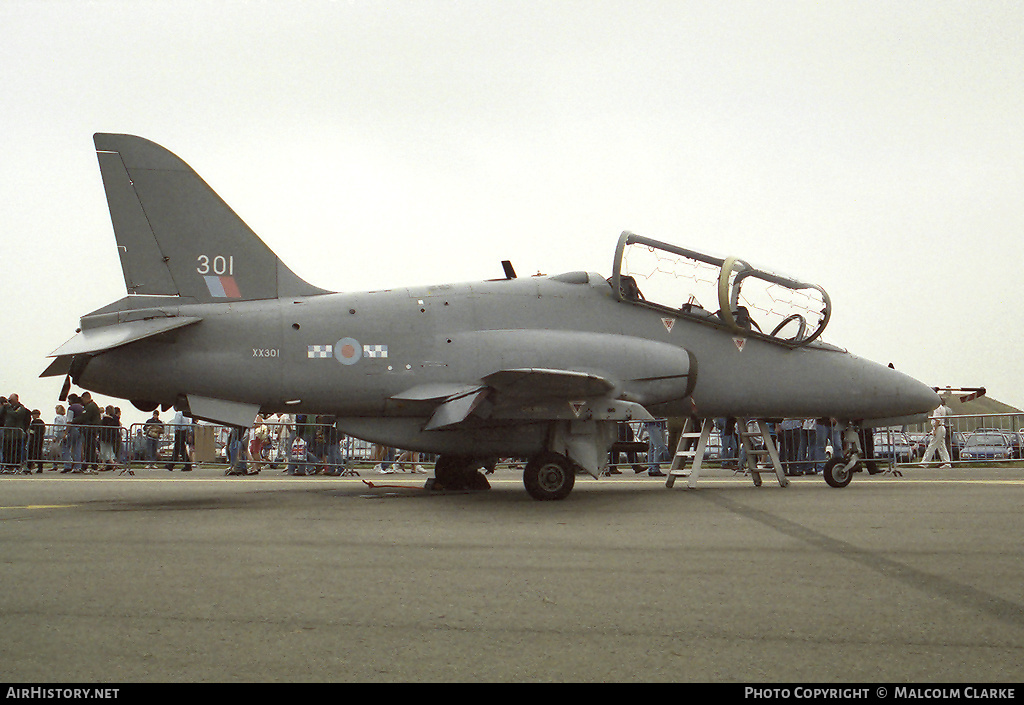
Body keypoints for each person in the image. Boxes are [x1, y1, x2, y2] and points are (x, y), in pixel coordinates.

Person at [921, 397, 953, 468]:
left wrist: (934, 429)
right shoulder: (942, 408)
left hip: (938, 427)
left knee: (932, 445)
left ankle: (925, 462)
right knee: (942, 446)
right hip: (942, 427)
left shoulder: (937, 408)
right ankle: (947, 462)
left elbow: (937, 420)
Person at [166, 406, 194, 471]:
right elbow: (188, 424)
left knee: (180, 448)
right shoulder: (186, 414)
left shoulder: (179, 413)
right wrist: (189, 432)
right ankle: (171, 464)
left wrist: (176, 430)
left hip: (180, 432)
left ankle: (187, 465)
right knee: (178, 448)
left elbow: (177, 423)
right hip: (184, 431)